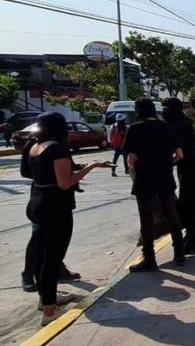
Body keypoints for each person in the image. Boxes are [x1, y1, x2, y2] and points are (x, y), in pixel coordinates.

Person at [21, 113, 110, 325]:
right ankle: (50, 311)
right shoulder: (58, 149)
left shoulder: (34, 146)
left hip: (36, 203)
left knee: (43, 256)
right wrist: (91, 166)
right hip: (55, 207)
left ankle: (46, 299)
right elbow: (65, 182)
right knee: (52, 258)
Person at [123, 97, 185, 272]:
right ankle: (179, 254)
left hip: (144, 179)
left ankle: (149, 259)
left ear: (138, 110)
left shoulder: (135, 128)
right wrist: (166, 164)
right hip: (165, 177)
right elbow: (179, 155)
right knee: (171, 215)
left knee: (146, 219)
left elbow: (130, 161)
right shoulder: (167, 127)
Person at [162, 98, 195, 254]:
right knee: (188, 204)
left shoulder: (179, 126)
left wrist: (166, 165)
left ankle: (193, 241)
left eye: (166, 108)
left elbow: (180, 154)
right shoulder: (181, 122)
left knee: (189, 205)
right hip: (188, 168)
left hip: (190, 169)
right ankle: (191, 236)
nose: (164, 112)